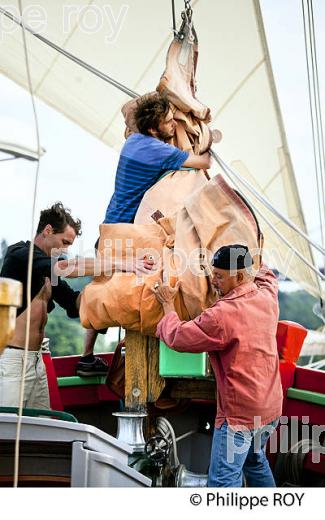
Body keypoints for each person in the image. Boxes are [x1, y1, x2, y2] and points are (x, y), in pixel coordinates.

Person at [80, 92, 213, 374]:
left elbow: (127, 107)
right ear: (153, 128)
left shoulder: (133, 140)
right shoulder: (158, 151)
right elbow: (204, 163)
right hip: (128, 232)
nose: (171, 124)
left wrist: (164, 96)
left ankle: (87, 356)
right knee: (122, 292)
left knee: (101, 285)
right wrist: (201, 137)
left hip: (110, 225)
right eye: (168, 121)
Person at [153, 244, 283, 487]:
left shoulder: (221, 315)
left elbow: (178, 337)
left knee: (223, 482)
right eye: (213, 273)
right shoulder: (267, 295)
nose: (213, 281)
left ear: (241, 276)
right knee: (255, 461)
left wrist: (167, 305)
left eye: (220, 276)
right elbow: (266, 272)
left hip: (239, 416)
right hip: (270, 408)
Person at [0, 202, 153, 409]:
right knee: (8, 429)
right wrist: (121, 263)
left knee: (42, 428)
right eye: (64, 242)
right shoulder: (19, 254)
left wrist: (116, 289)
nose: (65, 250)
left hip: (36, 361)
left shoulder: (48, 273)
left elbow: (77, 303)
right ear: (47, 230)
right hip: (11, 360)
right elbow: (64, 267)